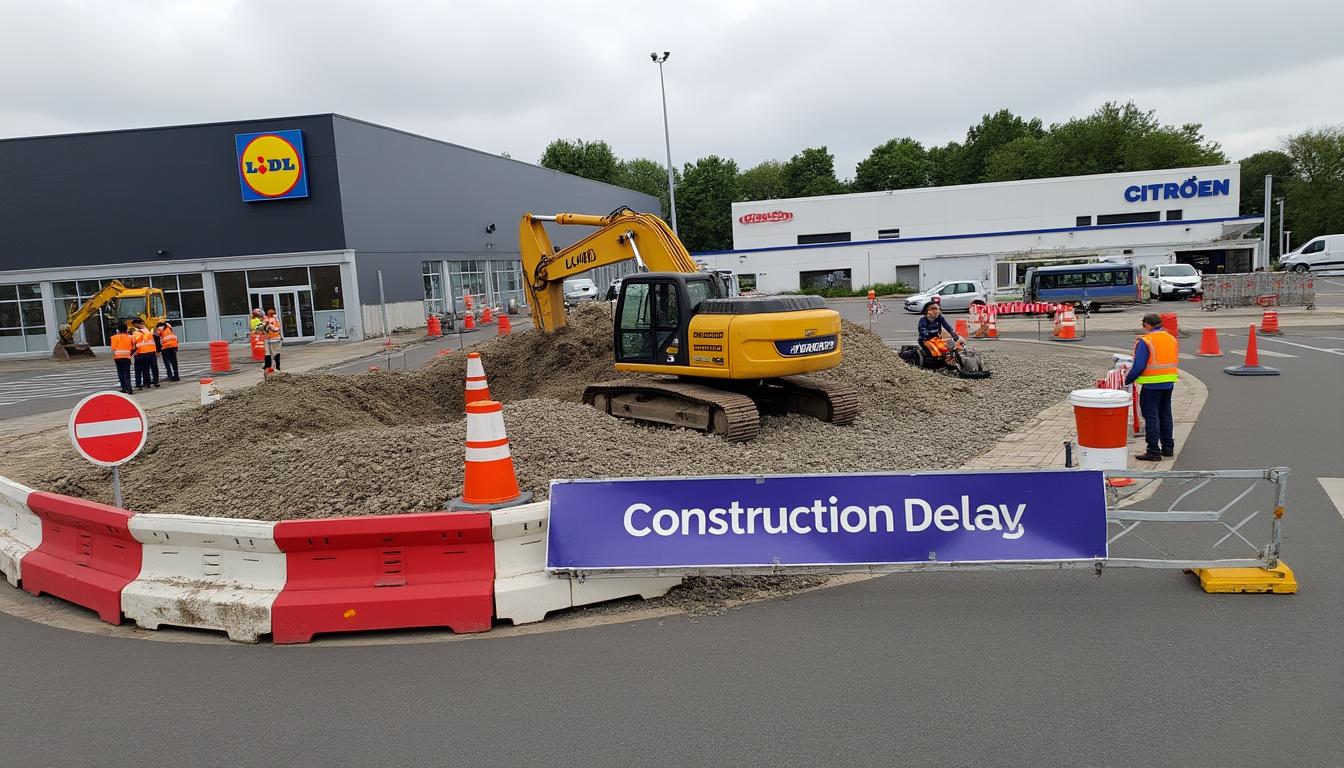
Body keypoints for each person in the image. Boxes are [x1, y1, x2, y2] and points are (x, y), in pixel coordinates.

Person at [1124, 313, 1178, 461]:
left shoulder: (1146, 341)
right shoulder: (1171, 338)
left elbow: (1139, 366)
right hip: (1169, 382)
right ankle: (1168, 448)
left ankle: (1153, 450)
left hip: (1151, 385)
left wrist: (1127, 380)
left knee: (1151, 416)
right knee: (1165, 414)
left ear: (1147, 325)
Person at [131, 319, 160, 390]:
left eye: (135, 325)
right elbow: (156, 339)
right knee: (153, 367)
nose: (134, 326)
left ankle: (146, 383)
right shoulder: (149, 330)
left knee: (145, 369)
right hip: (151, 351)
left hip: (143, 352)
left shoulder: (136, 333)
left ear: (138, 324)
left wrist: (131, 354)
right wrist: (158, 350)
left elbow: (134, 345)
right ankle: (153, 382)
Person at [109, 324, 135, 395]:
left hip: (117, 357)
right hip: (126, 357)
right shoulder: (130, 337)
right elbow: (133, 347)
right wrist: (130, 354)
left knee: (120, 373)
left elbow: (113, 348)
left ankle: (124, 388)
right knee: (127, 373)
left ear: (118, 330)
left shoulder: (114, 337)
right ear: (126, 329)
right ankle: (129, 389)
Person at [263, 307, 283, 372]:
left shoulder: (267, 320)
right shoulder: (277, 319)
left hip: (271, 339)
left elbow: (265, 329)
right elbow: (278, 328)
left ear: (268, 314)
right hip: (277, 338)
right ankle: (277, 366)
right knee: (277, 352)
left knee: (271, 354)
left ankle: (271, 367)